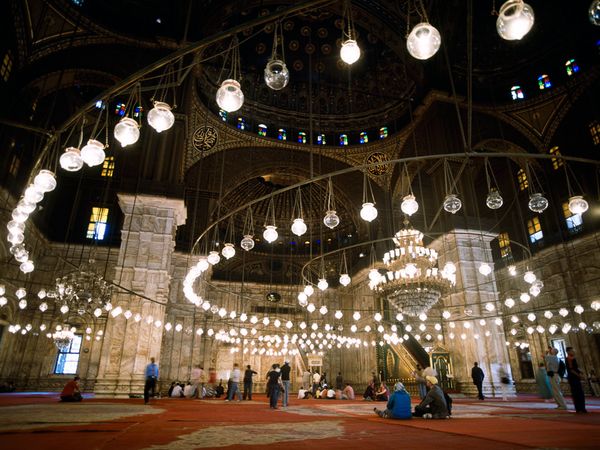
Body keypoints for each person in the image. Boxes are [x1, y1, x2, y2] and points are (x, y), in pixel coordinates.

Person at [566, 347, 587, 413]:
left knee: (579, 393)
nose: (574, 351)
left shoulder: (573, 358)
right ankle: (579, 408)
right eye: (572, 351)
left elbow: (576, 368)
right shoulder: (569, 359)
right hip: (573, 378)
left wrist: (581, 372)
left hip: (575, 378)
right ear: (568, 352)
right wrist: (579, 375)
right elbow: (571, 369)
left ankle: (581, 408)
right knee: (577, 393)